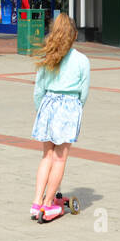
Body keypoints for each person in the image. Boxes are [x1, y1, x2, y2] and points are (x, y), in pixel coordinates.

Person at [31, 13, 90, 223]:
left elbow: (38, 89)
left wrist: (41, 110)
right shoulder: (82, 60)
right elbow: (83, 93)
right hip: (69, 107)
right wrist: (75, 110)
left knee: (47, 156)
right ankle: (48, 205)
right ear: (74, 35)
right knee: (60, 158)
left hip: (48, 105)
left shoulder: (48, 57)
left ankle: (37, 202)